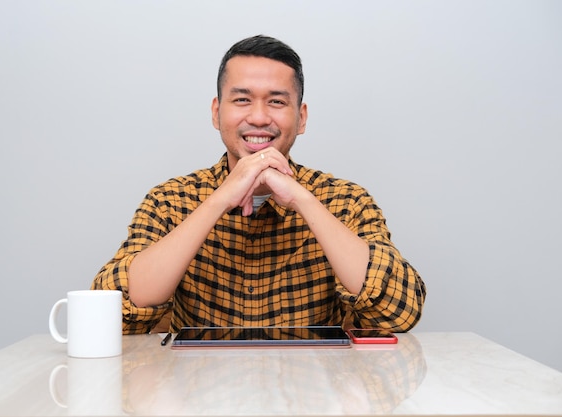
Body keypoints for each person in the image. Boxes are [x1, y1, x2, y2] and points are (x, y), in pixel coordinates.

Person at [92, 35, 426, 334]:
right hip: (196, 394)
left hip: (312, 394)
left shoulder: (346, 201)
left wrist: (304, 201)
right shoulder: (169, 200)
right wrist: (218, 200)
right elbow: (111, 312)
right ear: (216, 112)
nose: (259, 117)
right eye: (242, 100)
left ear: (302, 117)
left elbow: (398, 313)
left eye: (277, 102)